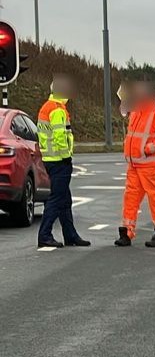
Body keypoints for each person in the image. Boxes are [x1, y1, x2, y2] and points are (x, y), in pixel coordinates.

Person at [116, 81, 155, 248]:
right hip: (135, 164)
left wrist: (147, 149)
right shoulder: (137, 111)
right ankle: (126, 232)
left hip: (151, 165)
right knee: (130, 198)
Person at [35, 75, 88, 248]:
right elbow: (59, 136)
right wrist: (66, 157)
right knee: (57, 198)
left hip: (50, 158)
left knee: (65, 199)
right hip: (59, 160)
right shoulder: (57, 109)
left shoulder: (47, 107)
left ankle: (70, 235)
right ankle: (45, 234)